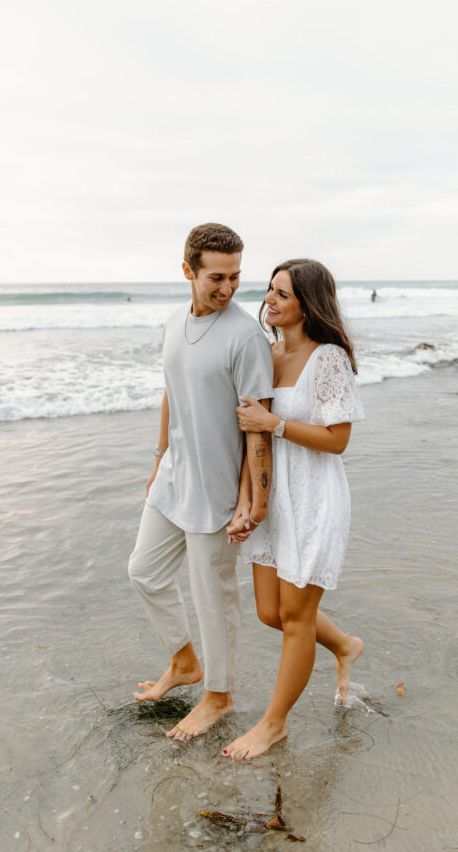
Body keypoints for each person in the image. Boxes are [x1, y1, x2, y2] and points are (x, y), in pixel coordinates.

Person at [128, 223, 274, 741]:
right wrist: (158, 458)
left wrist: (250, 501)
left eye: (236, 277)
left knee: (213, 594)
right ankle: (185, 663)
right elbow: (172, 391)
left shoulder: (246, 338)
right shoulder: (171, 323)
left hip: (216, 488)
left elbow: (258, 429)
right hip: (173, 477)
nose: (228, 289)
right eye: (217, 277)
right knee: (144, 571)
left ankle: (219, 695)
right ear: (188, 271)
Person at [224, 258, 364, 760]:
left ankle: (273, 724)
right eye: (268, 290)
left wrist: (272, 423)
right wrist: (246, 501)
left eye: (281, 293)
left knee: (296, 618)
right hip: (273, 498)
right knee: (270, 613)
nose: (269, 300)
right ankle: (346, 645)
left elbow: (338, 440)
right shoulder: (266, 354)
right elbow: (247, 437)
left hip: (314, 499)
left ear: (308, 302)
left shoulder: (328, 359)